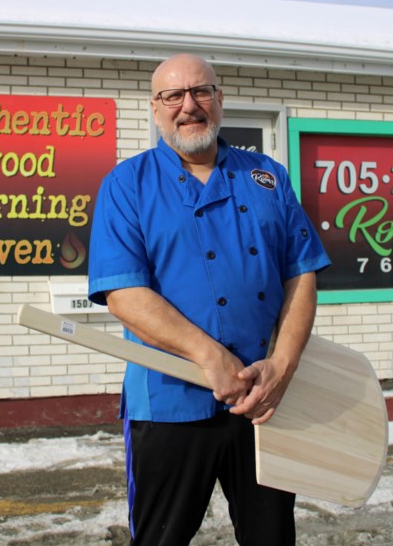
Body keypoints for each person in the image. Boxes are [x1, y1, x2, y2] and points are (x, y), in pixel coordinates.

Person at [87, 54, 330, 545]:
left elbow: (300, 275)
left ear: (220, 100)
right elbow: (123, 294)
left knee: (272, 538)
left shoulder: (268, 176)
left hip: (261, 402)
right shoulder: (127, 185)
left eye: (200, 92)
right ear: (155, 109)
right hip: (170, 404)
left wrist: (281, 366)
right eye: (172, 96)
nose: (188, 106)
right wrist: (208, 354)